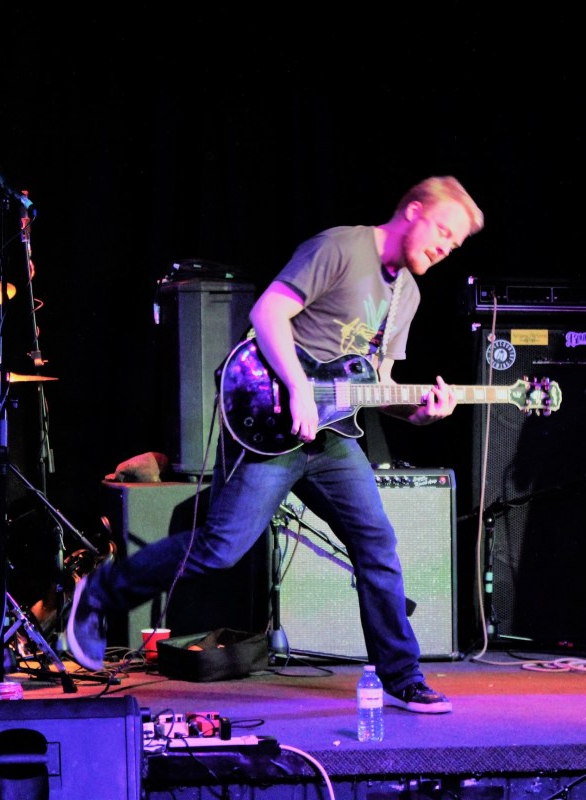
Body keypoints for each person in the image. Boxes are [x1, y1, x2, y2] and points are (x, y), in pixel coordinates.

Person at [69, 176, 484, 712]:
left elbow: (375, 382)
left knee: (377, 544)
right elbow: (267, 313)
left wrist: (420, 413)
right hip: (269, 419)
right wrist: (297, 388)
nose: (446, 247)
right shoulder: (342, 247)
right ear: (413, 210)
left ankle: (402, 677)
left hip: (331, 439)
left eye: (456, 243)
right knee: (220, 548)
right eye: (444, 231)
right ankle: (101, 592)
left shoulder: (408, 294)